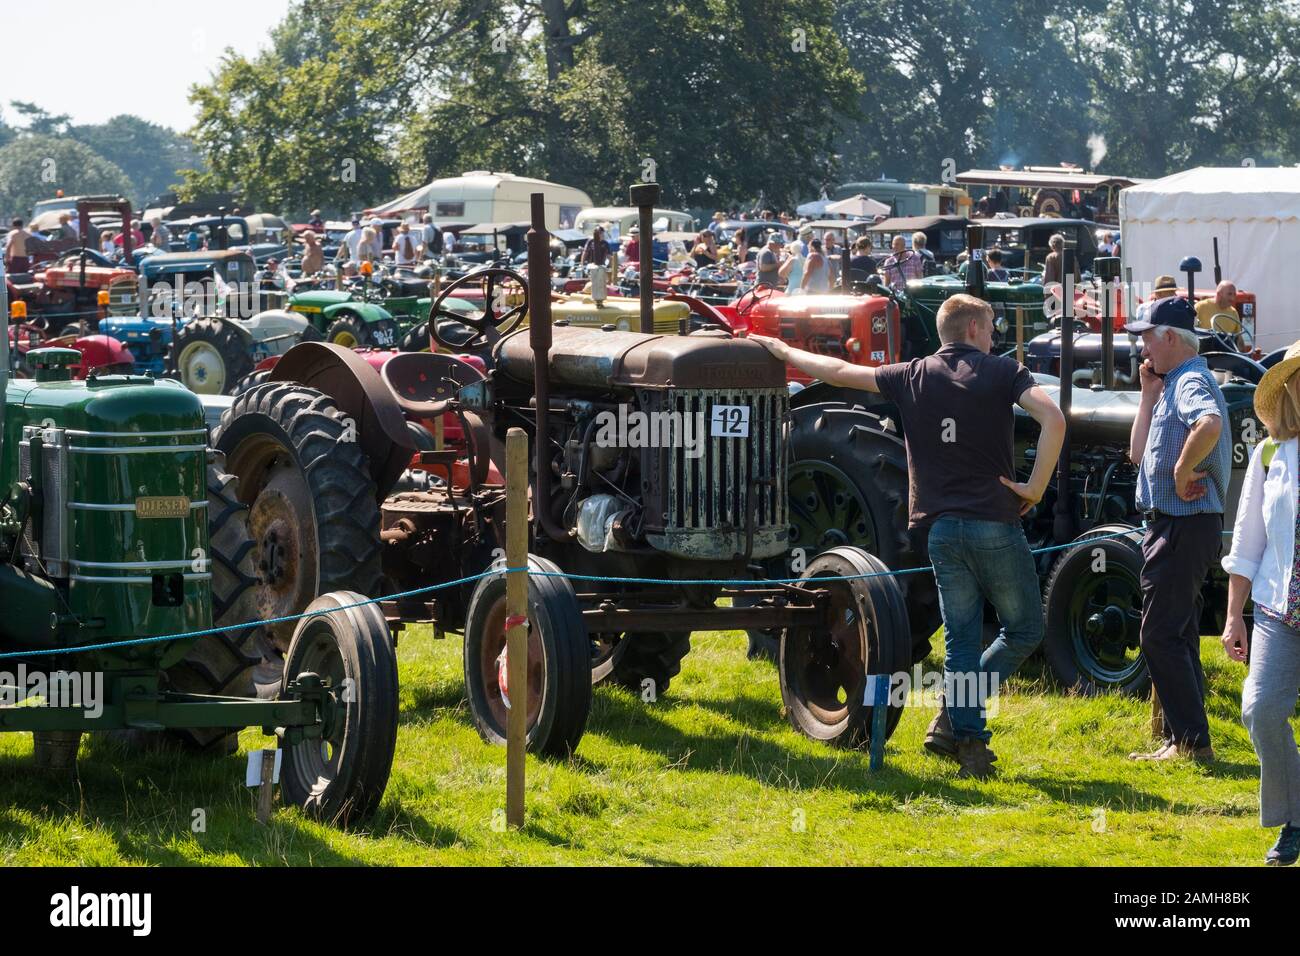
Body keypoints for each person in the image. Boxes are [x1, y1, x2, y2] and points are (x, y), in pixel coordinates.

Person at [752, 295, 1066, 778]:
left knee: (959, 640)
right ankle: (961, 726)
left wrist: (785, 352)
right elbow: (1054, 419)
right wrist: (1036, 486)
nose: (993, 335)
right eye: (991, 327)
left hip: (938, 530)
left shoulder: (912, 373)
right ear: (976, 329)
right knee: (1024, 629)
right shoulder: (1005, 372)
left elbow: (837, 372)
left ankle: (962, 735)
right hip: (994, 523)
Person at [1125, 295, 1232, 763]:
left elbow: (1207, 423)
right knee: (1180, 631)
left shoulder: (1191, 380)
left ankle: (1191, 741)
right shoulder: (1171, 383)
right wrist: (1148, 394)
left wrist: (1182, 471)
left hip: (1183, 524)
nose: (1142, 346)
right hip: (1175, 524)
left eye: (1147, 336)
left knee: (1159, 635)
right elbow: (1136, 453)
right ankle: (1184, 739)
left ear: (1169, 337)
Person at [1222, 339, 1300, 865]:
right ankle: (1294, 817)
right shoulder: (1270, 452)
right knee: (1259, 708)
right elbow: (1248, 540)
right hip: (1279, 609)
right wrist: (1233, 616)